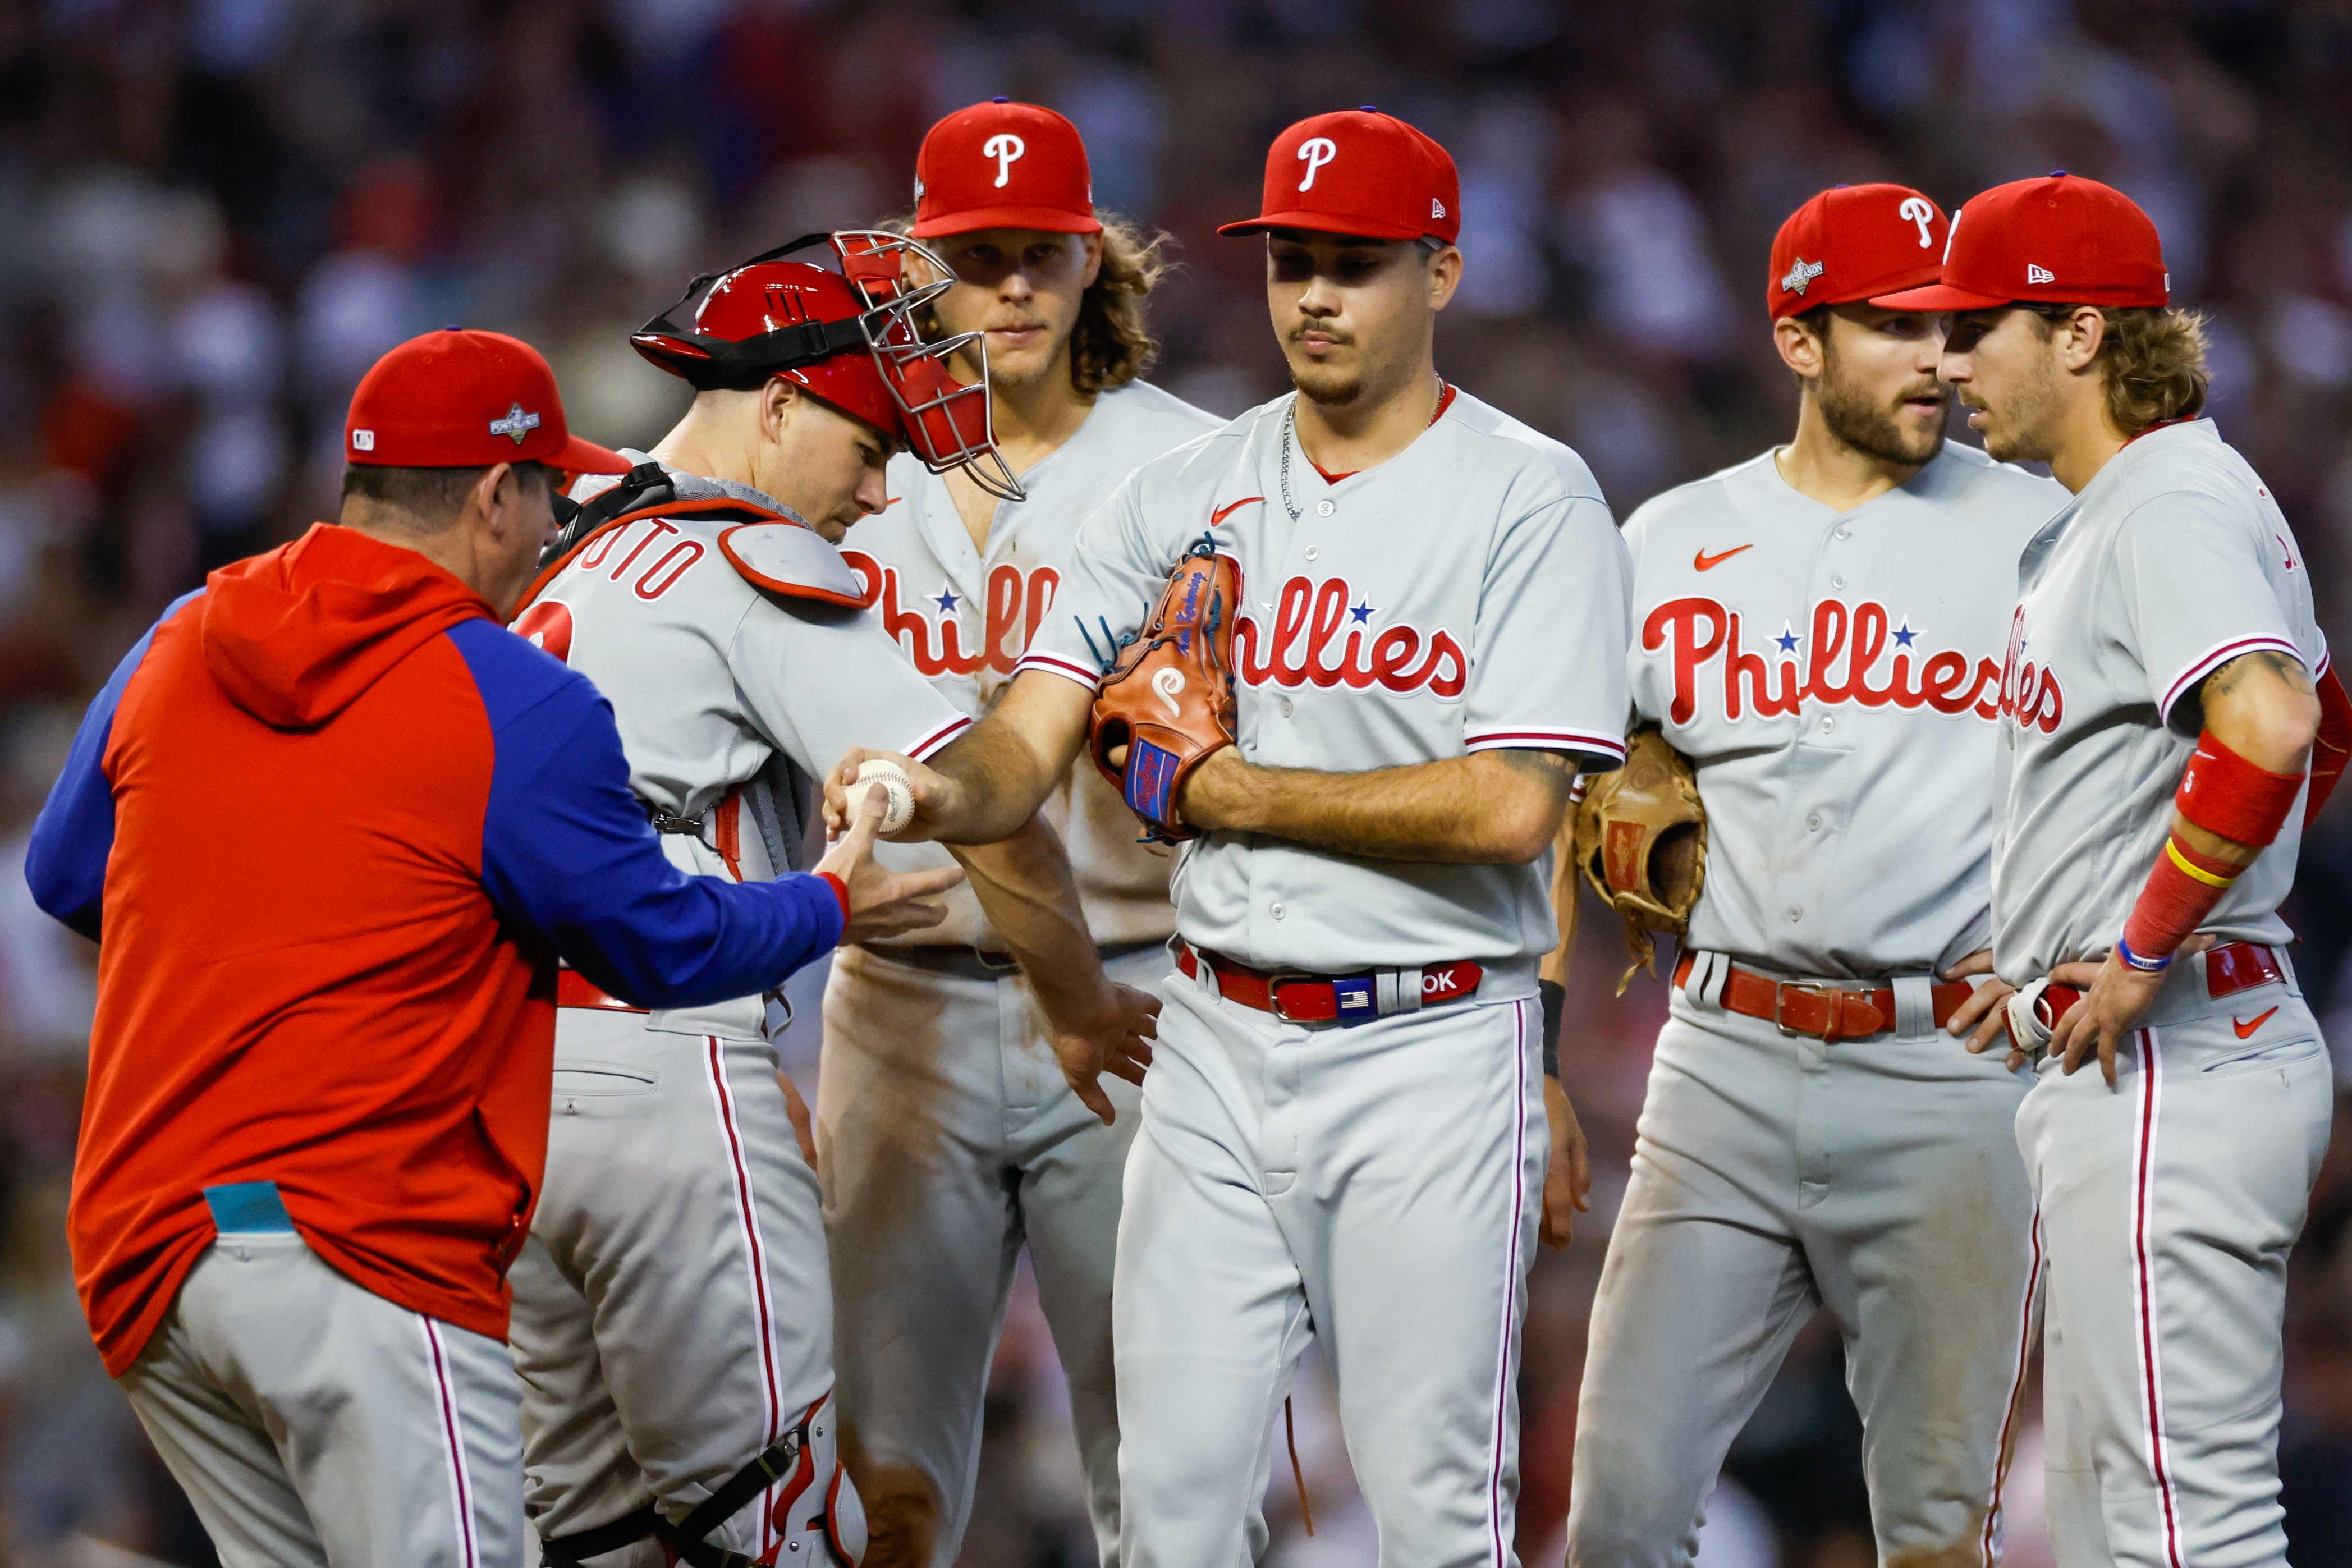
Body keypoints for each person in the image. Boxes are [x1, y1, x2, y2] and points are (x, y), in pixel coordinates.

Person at [824, 108, 1633, 1566]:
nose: (1315, 296)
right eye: (1291, 264)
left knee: (1436, 1511)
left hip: (1433, 1045)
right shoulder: (1183, 491)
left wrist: (1234, 793)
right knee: (1173, 1515)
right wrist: (935, 795)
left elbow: (1514, 805)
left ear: (1441, 272)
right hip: (1209, 1038)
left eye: (1357, 265)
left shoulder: (1531, 493)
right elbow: (1034, 733)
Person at [21, 328, 954, 1568]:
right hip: (363, 1243)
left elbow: (67, 870)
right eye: (545, 490)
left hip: (148, 1252)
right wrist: (831, 900)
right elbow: (662, 943)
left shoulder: (183, 634)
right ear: (492, 495)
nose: (554, 520)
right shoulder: (509, 689)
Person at [506, 231, 1158, 1568]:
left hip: (506, 1076)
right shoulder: (751, 561)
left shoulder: (570, 545)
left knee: (589, 1527)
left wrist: (796, 900)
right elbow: (998, 814)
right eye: (868, 447)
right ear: (783, 400)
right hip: (664, 1076)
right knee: (788, 1520)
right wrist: (1078, 1000)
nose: (880, 491)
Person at [1560, 185, 2066, 1567]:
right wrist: (1542, 1055)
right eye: (1891, 325)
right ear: (1796, 338)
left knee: (1931, 1532)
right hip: (1718, 1061)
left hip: (1947, 1067)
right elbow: (1553, 800)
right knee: (1615, 1515)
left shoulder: (2046, 531)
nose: (1935, 358)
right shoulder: (1663, 538)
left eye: (1948, 327)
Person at [1878, 172, 2352, 1568]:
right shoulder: (2134, 504)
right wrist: (2054, 948)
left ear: (2081, 333)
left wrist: (2144, 941)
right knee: (2095, 1523)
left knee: (2174, 1526)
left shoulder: (2162, 502)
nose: (1949, 361)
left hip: (2179, 1052)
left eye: (1981, 326)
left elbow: (2271, 723)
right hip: (2156, 1042)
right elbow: (2319, 736)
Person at [814, 99, 1219, 1568]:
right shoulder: (847, 472)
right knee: (880, 1496)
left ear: (1090, 260)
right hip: (896, 1012)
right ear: (919, 269)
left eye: (1043, 255)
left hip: (1143, 1010)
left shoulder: (1197, 469)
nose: (1015, 289)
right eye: (978, 257)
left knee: (1169, 1479)